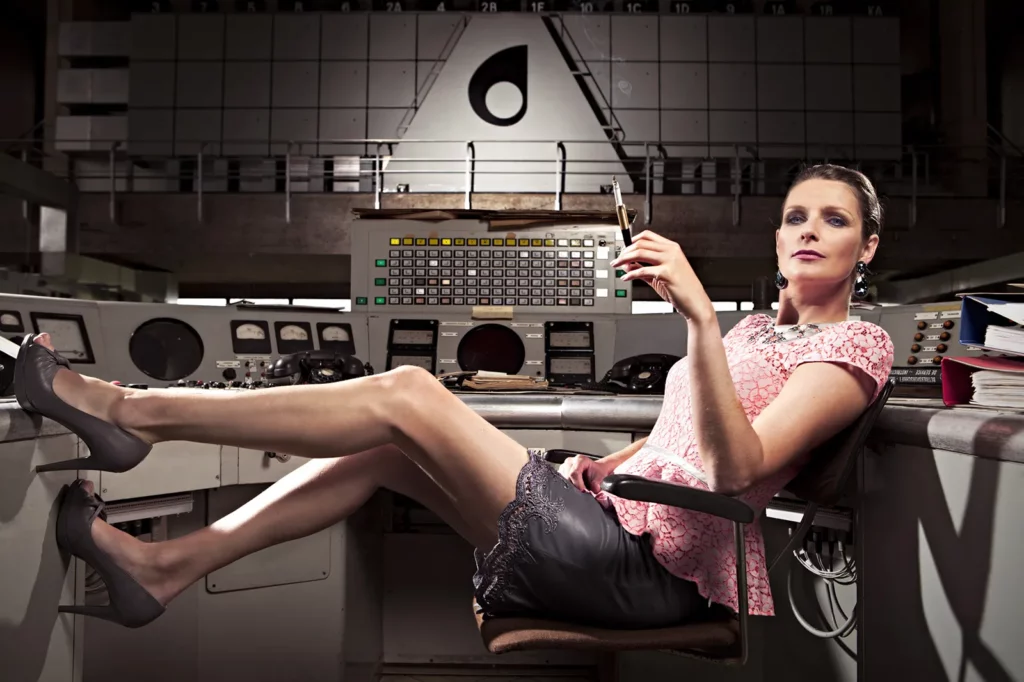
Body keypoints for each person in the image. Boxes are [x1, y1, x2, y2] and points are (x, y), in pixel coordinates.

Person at [18, 163, 893, 631]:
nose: (808, 232)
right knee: (381, 450)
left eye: (833, 220)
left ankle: (126, 410)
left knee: (407, 391)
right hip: (611, 520)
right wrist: (602, 463)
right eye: (794, 218)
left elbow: (737, 469)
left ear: (867, 247)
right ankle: (164, 567)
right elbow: (678, 441)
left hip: (653, 577)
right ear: (778, 242)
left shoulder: (858, 346)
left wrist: (698, 319)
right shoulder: (754, 337)